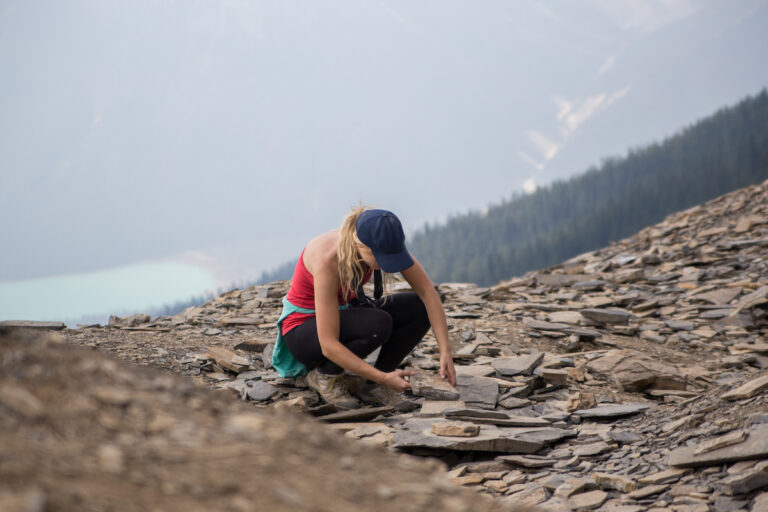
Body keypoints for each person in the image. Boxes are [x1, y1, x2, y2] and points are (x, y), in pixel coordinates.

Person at [272, 207, 457, 409]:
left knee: (418, 307)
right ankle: (324, 376)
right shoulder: (329, 260)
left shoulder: (385, 241)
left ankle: (371, 386)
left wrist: (445, 351)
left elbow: (428, 293)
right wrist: (384, 378)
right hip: (303, 332)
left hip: (342, 312)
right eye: (380, 257)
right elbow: (328, 344)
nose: (386, 264)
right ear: (361, 245)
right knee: (378, 324)